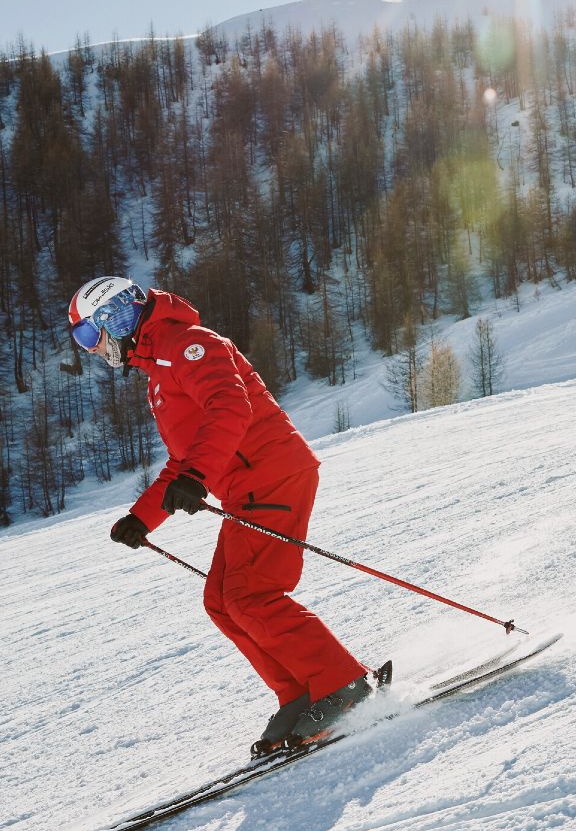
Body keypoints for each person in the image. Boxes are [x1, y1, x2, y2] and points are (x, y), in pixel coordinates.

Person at [68, 277, 373, 756]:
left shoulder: (188, 345)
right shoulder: (158, 373)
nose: (90, 349)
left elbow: (231, 407)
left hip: (273, 475)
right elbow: (181, 459)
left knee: (251, 594)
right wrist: (143, 517)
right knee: (221, 600)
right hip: (246, 490)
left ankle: (344, 685)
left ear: (117, 319)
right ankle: (299, 692)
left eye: (89, 336)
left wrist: (197, 475)